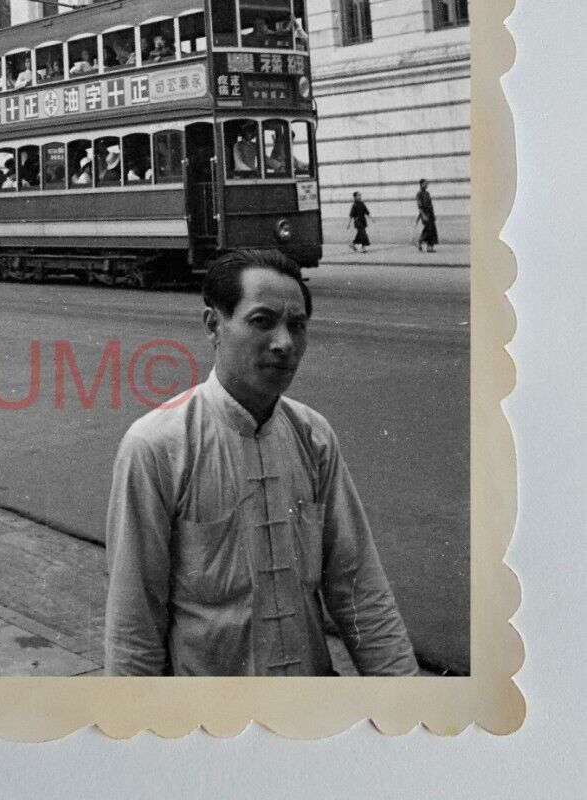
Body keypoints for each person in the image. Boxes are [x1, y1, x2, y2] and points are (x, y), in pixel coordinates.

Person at [105, 248, 418, 677]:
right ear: (214, 326)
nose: (285, 343)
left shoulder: (314, 435)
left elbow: (360, 588)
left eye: (297, 325)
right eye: (262, 321)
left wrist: (405, 701)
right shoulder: (157, 446)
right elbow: (134, 625)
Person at [415, 179, 438, 252]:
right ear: (421, 184)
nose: (427, 185)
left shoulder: (427, 193)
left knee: (432, 230)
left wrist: (433, 214)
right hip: (424, 214)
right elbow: (420, 207)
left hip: (430, 213)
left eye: (427, 184)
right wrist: (423, 216)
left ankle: (429, 247)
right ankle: (420, 241)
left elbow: (431, 205)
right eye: (425, 184)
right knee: (428, 229)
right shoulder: (418, 194)